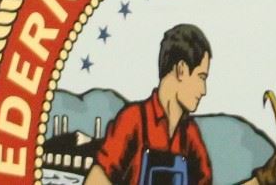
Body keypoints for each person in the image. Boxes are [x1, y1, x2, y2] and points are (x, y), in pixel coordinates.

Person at [86, 24, 215, 185]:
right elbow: (95, 181)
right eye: (201, 77)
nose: (204, 90)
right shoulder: (133, 120)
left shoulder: (190, 135)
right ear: (181, 70)